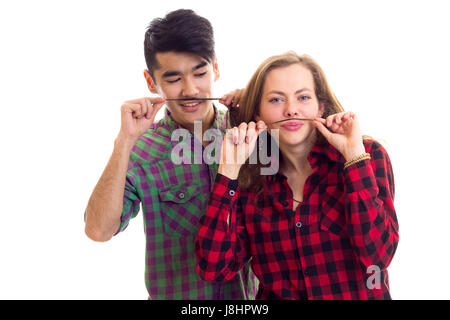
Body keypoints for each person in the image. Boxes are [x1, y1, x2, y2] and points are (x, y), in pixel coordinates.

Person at [195, 52, 399, 300]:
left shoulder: (366, 155)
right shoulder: (249, 178)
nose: (291, 110)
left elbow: (377, 257)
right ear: (258, 114)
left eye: (303, 97)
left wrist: (353, 156)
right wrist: (228, 171)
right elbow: (214, 268)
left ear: (320, 106)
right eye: (276, 100)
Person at [84, 9, 256, 300]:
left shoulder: (248, 133)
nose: (191, 90)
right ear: (151, 82)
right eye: (174, 78)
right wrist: (124, 142)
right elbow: (98, 231)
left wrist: (259, 105)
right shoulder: (141, 150)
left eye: (200, 73)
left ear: (216, 68)